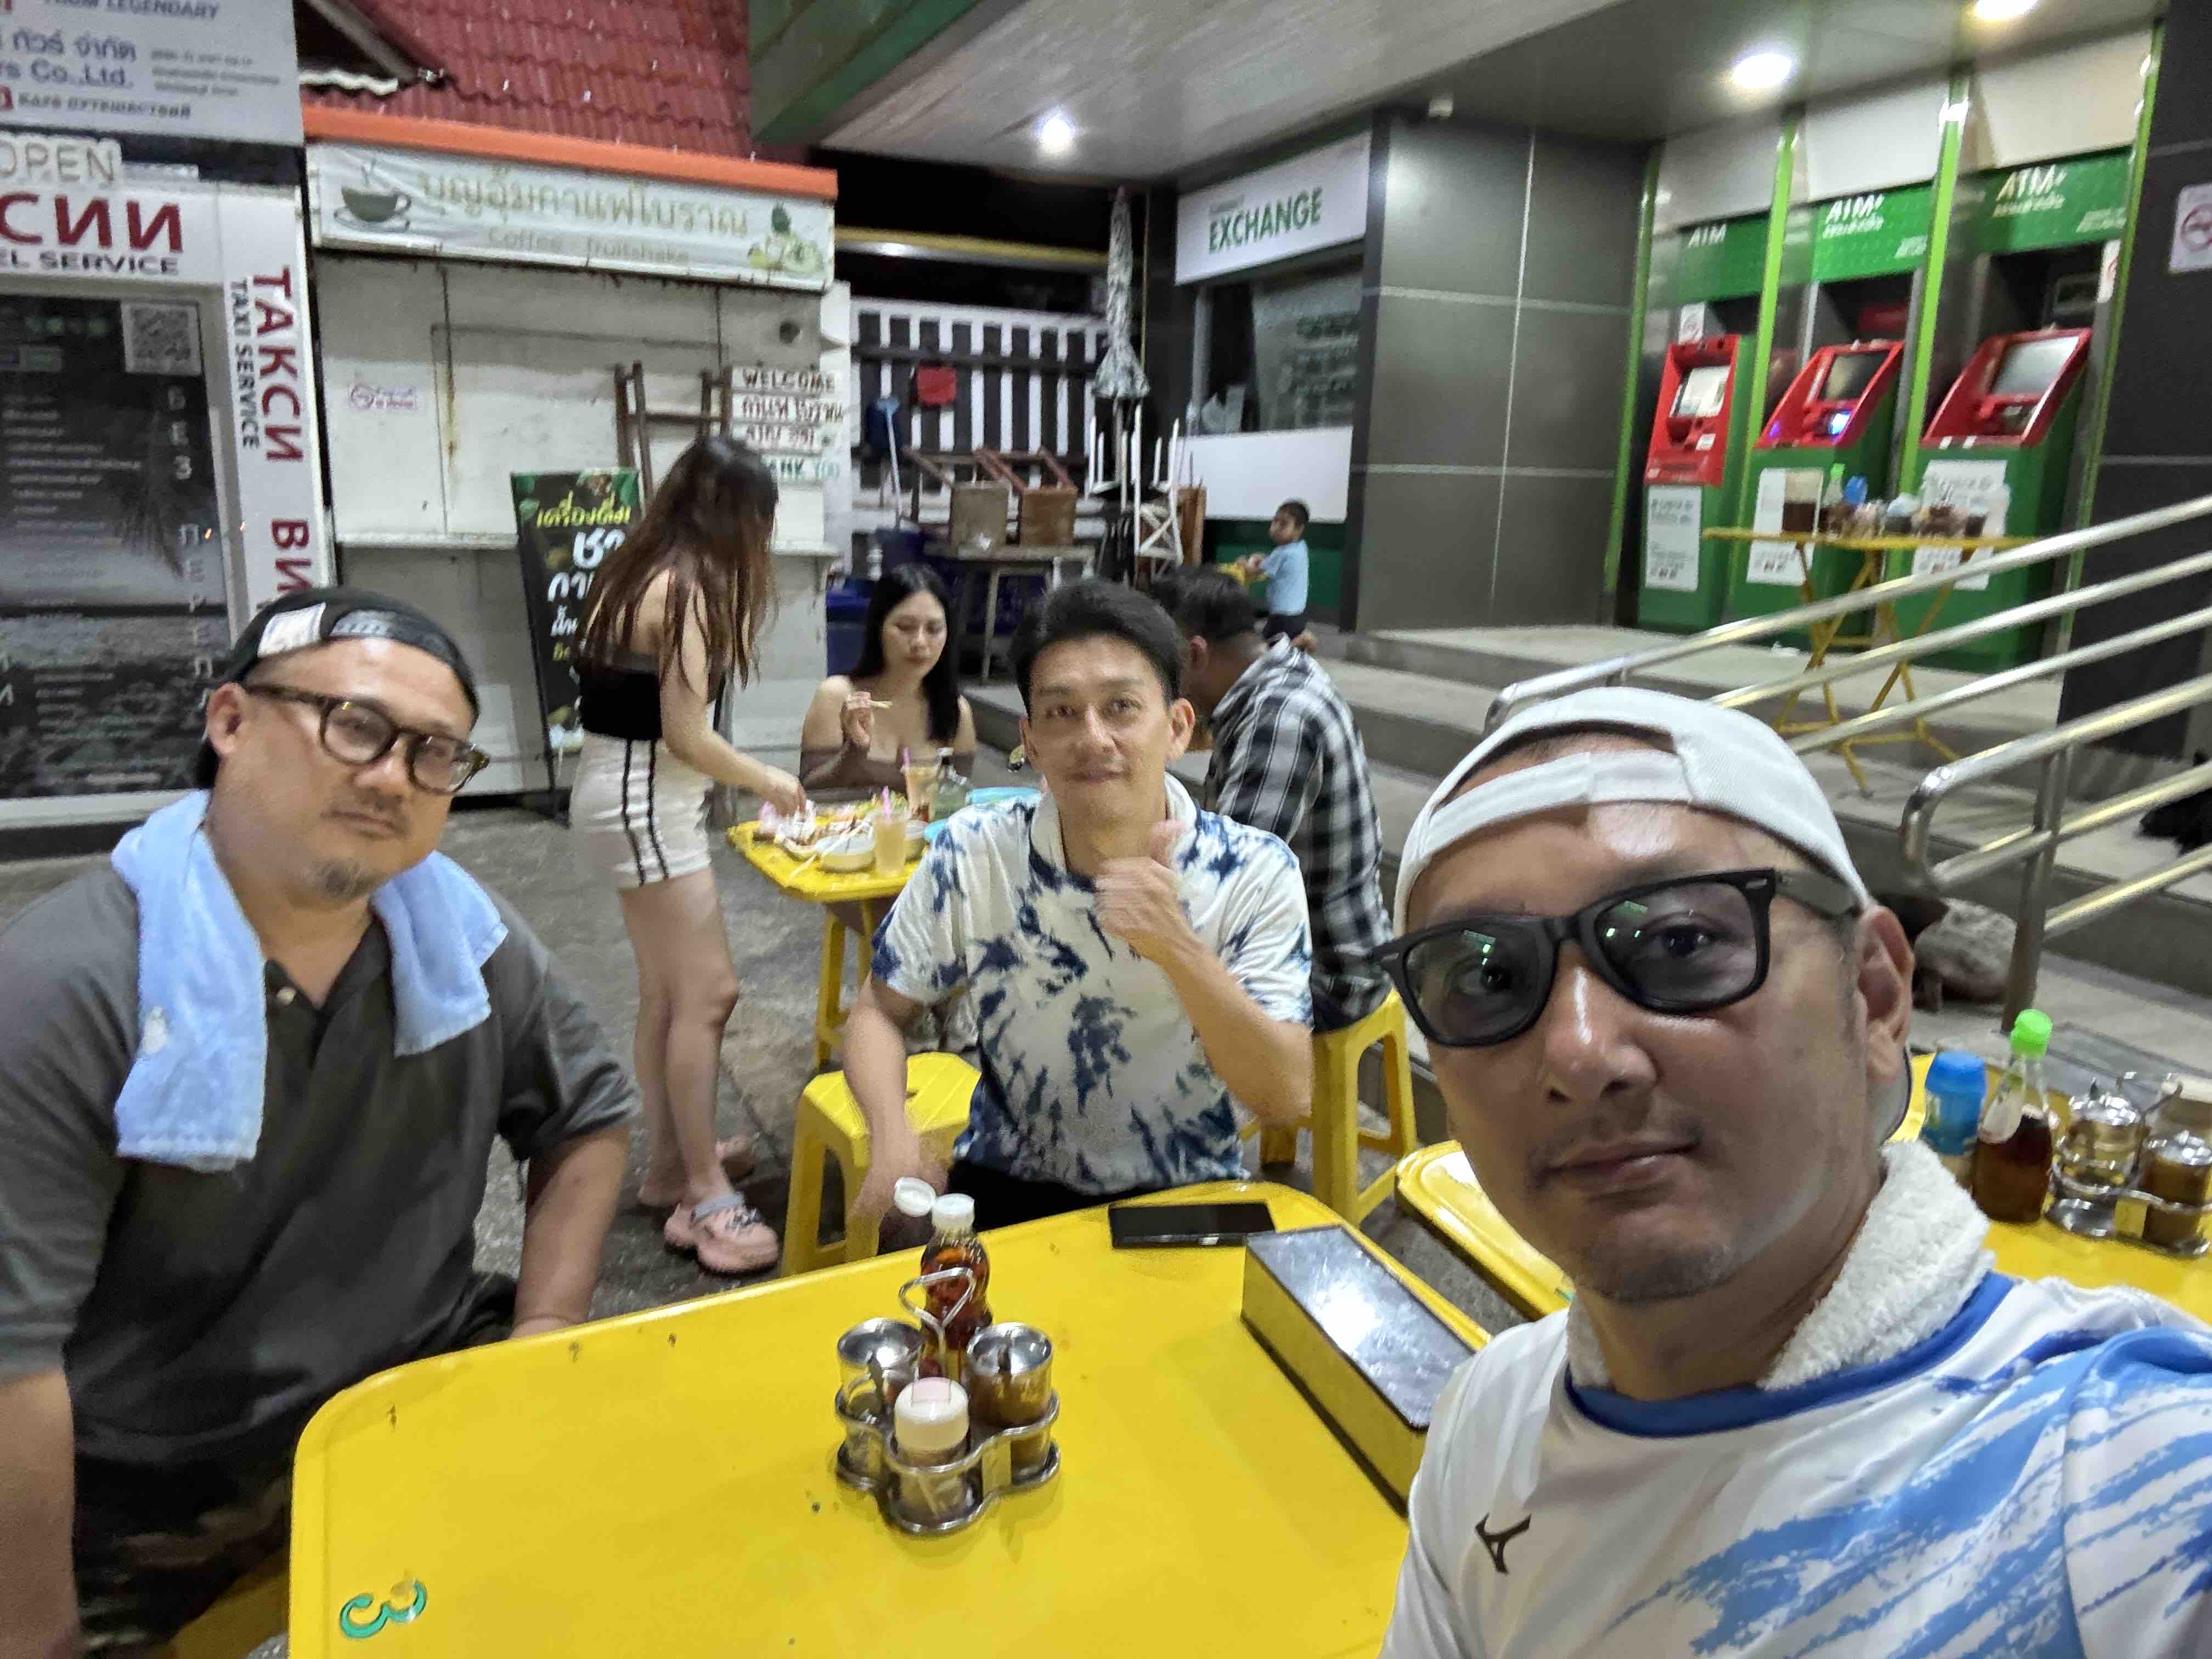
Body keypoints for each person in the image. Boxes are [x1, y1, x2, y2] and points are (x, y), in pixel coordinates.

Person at [1376, 687, 2212, 1659]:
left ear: (1874, 995)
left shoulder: (2125, 1488)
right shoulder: (1490, 1424)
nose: (1581, 1051)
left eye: (1680, 943)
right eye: (1486, 977)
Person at [0, 589, 637, 1657]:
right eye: (354, 725)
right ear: (231, 720)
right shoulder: (68, 987)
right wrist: (37, 1635)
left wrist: (544, 1329)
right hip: (154, 1483)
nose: (392, 776)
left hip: (410, 1389)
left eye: (435, 753)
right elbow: (11, 1359)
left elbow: (590, 1110)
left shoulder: (461, 939)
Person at [843, 578, 1315, 1231]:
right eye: (1062, 712)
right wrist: (892, 1139)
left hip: (1185, 1196)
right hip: (1007, 1185)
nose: (1093, 738)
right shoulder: (978, 852)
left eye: (1121, 707)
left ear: (1178, 728)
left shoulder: (1253, 872)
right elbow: (877, 1010)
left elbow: (1285, 1096)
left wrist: (1176, 947)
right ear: (1031, 743)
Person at [571, 435, 805, 1275]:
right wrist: (770, 778)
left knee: (668, 995)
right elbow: (687, 736)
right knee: (708, 994)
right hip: (646, 807)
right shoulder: (683, 591)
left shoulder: (636, 571)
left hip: (625, 798)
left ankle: (672, 1164)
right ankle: (704, 1197)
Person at [1154, 566, 1389, 1032]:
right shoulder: (1282, 675)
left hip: (1329, 977)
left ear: (1195, 655)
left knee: (1137, 1004)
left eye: (1159, 669)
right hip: (1324, 947)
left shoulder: (1279, 719)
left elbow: (1224, 885)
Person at [800, 562, 977, 799]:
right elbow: (809, 792)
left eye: (934, 629)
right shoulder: (838, 696)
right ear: (878, 629)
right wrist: (854, 751)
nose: (920, 642)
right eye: (905, 627)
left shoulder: (956, 711)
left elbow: (961, 801)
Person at [1237, 498, 1311, 644]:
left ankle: (1303, 641)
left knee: (1269, 646)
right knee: (1284, 645)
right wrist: (1265, 559)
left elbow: (1255, 572)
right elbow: (1277, 565)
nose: (1276, 528)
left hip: (1282, 615)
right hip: (1298, 613)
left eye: (1283, 524)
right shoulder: (1301, 548)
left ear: (1299, 529)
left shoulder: (1281, 552)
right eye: (1275, 521)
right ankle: (1301, 640)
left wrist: (1243, 563)